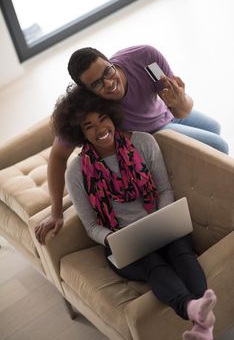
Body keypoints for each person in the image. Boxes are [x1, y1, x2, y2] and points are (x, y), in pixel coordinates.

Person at [36, 84, 217, 340]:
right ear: (79, 133)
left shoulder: (144, 142)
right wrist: (113, 239)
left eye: (103, 118)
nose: (100, 129)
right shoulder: (76, 172)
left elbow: (164, 190)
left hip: (161, 225)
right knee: (153, 264)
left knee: (180, 250)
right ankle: (194, 311)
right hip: (122, 241)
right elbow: (91, 226)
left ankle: (200, 322)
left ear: (112, 115)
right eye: (89, 126)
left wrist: (161, 220)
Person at [36, 44, 229, 246]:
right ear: (87, 91)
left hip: (167, 111)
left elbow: (182, 111)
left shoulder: (146, 58)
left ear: (110, 62)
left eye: (108, 71)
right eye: (98, 84)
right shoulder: (90, 104)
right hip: (155, 133)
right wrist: (56, 212)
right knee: (219, 146)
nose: (109, 83)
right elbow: (57, 156)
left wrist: (180, 99)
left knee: (214, 126)